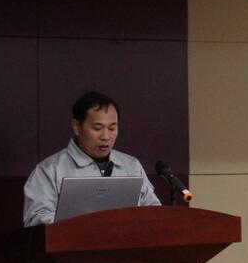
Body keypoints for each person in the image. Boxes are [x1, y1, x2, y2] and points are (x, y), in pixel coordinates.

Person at [23, 91, 160, 226]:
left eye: (112, 128)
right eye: (97, 128)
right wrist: (87, 227)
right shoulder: (50, 170)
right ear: (77, 127)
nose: (106, 137)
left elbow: (154, 212)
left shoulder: (132, 166)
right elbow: (37, 222)